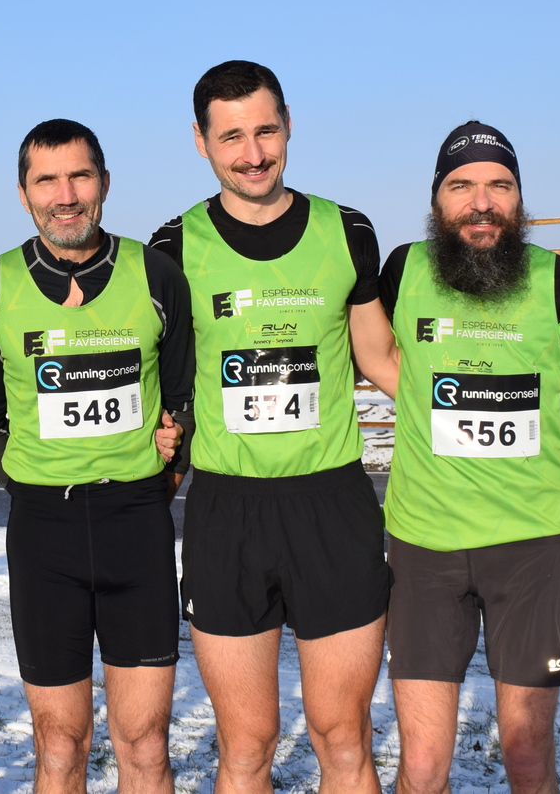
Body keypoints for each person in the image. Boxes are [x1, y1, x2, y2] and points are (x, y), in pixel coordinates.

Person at [146, 61, 397, 793]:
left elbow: (382, 359)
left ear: (288, 125)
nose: (253, 153)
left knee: (342, 737)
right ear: (201, 142)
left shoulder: (347, 231)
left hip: (332, 505)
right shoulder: (173, 247)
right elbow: (157, 379)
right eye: (231, 137)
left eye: (265, 131)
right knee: (248, 744)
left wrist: (502, 422)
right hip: (228, 511)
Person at [380, 121, 560, 794]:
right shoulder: (403, 271)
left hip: (527, 550)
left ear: (520, 198)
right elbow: (360, 354)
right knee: (422, 765)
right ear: (436, 199)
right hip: (423, 548)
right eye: (461, 185)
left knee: (527, 755)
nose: (482, 202)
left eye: (500, 185)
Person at [0, 119, 190, 794]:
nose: (65, 196)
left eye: (80, 176)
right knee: (61, 747)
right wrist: (33, 482)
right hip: (45, 535)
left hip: (137, 526)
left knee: (145, 745)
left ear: (105, 183)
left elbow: (181, 397)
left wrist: (167, 454)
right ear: (23, 193)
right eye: (47, 180)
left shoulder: (156, 274)